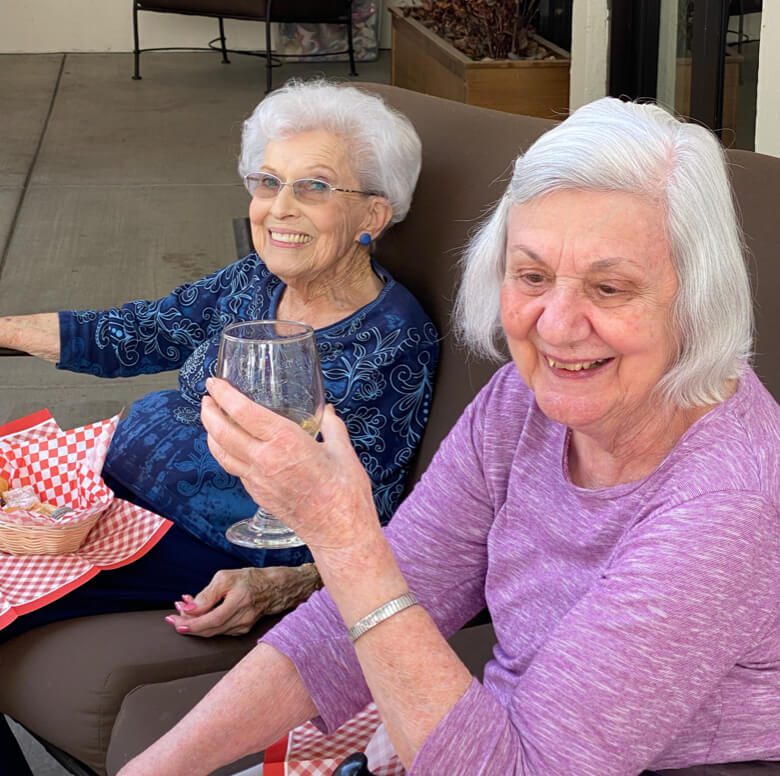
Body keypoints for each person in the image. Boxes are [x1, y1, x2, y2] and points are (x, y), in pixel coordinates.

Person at [119, 96, 778, 776]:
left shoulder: (725, 502)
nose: (555, 326)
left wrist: (342, 535)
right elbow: (358, 619)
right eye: (532, 276)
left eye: (609, 288)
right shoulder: (524, 403)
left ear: (698, 297)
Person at [0, 79, 438, 640]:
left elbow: (369, 518)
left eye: (313, 188)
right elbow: (137, 334)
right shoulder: (256, 279)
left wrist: (288, 584)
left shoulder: (391, 340)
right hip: (103, 492)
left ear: (373, 216)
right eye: (268, 183)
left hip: (197, 541)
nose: (280, 209)